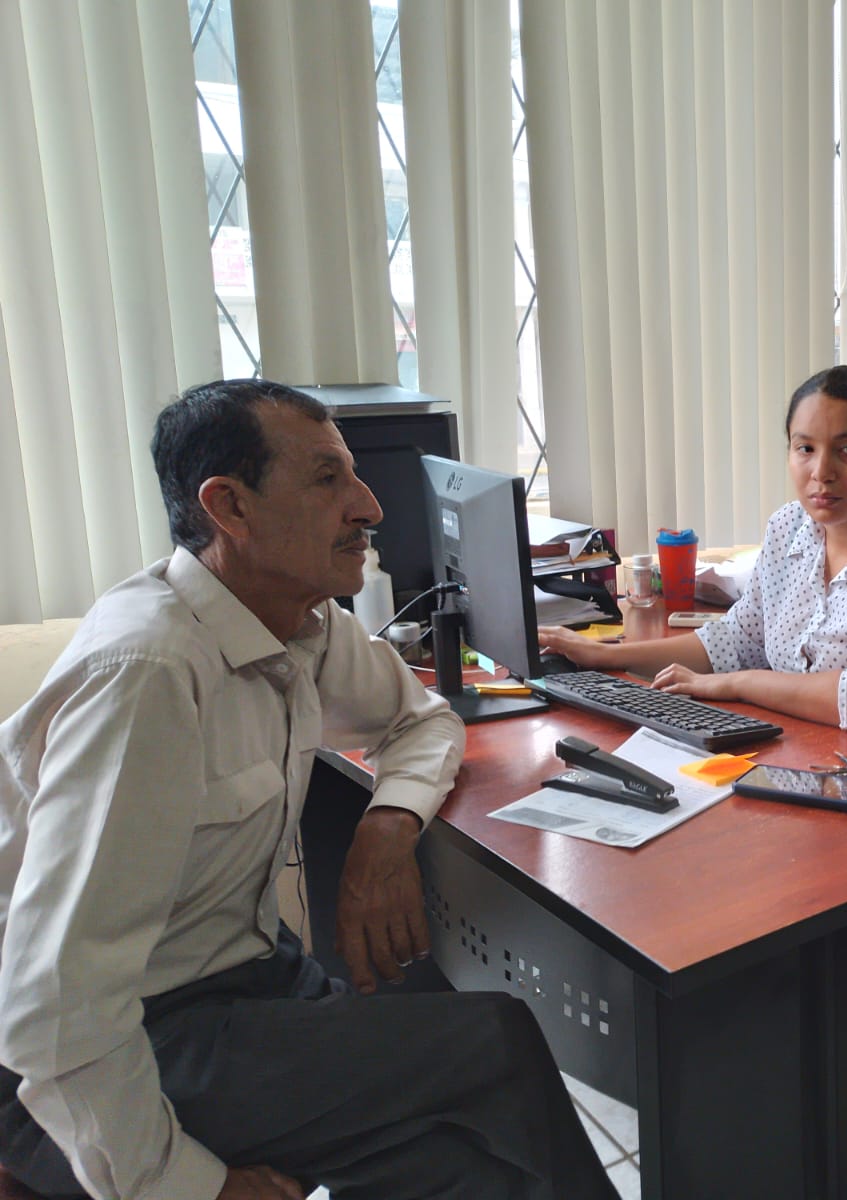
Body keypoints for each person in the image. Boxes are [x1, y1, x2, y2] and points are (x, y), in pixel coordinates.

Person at [0, 380, 616, 1200]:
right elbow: (56, 1008)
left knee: (461, 1163)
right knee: (492, 1041)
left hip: (239, 986)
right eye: (328, 479)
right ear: (229, 507)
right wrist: (188, 1186)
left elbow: (422, 720)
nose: (369, 506)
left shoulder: (296, 622)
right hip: (98, 1054)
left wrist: (387, 827)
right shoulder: (148, 675)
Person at [539, 365, 847, 755]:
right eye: (805, 448)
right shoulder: (788, 526)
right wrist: (605, 657)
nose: (821, 472)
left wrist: (735, 684)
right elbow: (737, 641)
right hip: (800, 746)